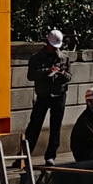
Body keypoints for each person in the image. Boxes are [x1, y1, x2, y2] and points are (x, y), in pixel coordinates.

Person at [23, 29, 72, 163]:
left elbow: (69, 76)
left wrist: (62, 75)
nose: (54, 49)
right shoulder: (36, 57)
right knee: (34, 126)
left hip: (59, 95)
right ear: (47, 43)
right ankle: (24, 155)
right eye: (52, 46)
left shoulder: (64, 58)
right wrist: (46, 71)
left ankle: (51, 155)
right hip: (43, 96)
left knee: (56, 128)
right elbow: (31, 75)